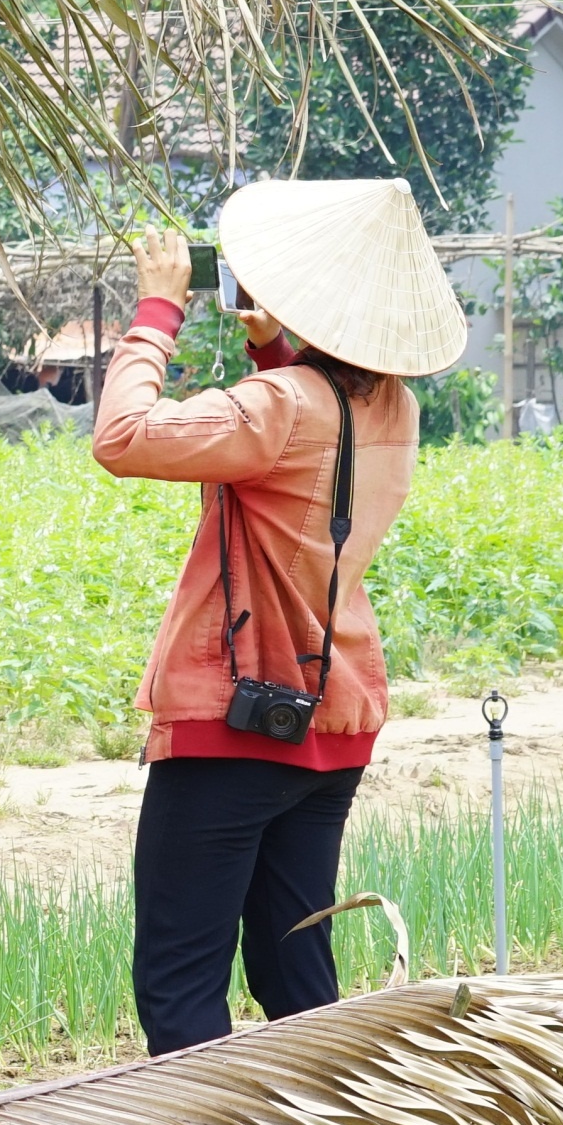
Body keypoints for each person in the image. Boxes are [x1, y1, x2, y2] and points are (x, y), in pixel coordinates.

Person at [92, 179, 462, 1059]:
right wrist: (271, 346)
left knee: (180, 978)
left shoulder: (278, 404)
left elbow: (122, 437)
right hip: (331, 717)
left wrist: (156, 311)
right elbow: (308, 448)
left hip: (236, 721)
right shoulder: (392, 407)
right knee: (294, 969)